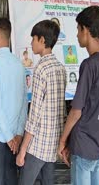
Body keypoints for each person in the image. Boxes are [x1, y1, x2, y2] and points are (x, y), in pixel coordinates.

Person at [58, 6, 99, 185]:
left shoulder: (89, 65)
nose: (76, 34)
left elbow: (76, 112)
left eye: (78, 29)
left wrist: (63, 141)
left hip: (84, 144)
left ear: (86, 30)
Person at [16, 20, 67, 185]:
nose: (31, 43)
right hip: (52, 144)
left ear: (42, 40)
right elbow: (62, 110)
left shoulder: (40, 69)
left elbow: (35, 113)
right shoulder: (61, 68)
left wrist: (23, 149)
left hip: (38, 145)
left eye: (33, 39)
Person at [0, 18, 27, 185]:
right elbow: (24, 102)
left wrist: (9, 137)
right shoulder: (19, 64)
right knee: (11, 178)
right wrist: (17, 134)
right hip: (15, 137)